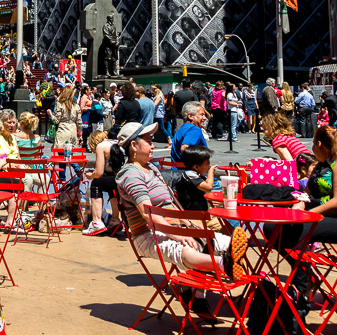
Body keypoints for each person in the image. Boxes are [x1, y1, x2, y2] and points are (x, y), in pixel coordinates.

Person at [113, 121, 246, 284]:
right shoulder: (130, 174)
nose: (153, 145)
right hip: (148, 233)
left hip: (173, 226)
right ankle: (223, 264)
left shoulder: (151, 168)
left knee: (229, 243)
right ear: (134, 146)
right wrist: (179, 235)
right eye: (148, 141)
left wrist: (189, 224)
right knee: (187, 248)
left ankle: (196, 292)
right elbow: (148, 213)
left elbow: (171, 203)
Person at [267, 126, 337, 316]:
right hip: (321, 217)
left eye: (313, 144)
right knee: (272, 227)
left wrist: (308, 214)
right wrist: (300, 204)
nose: (312, 149)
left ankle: (300, 287)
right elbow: (306, 193)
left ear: (319, 144)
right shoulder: (322, 164)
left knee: (296, 229)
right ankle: (305, 275)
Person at [84, 130, 120, 236]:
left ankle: (96, 222)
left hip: (117, 180)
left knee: (96, 183)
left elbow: (98, 173)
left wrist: (91, 175)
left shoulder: (100, 146)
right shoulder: (113, 142)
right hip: (123, 179)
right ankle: (115, 219)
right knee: (109, 184)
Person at [262, 113, 314, 177]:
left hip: (304, 171)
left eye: (265, 129)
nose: (264, 132)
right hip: (311, 164)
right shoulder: (288, 136)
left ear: (271, 128)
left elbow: (289, 162)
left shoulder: (278, 140)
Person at [170, 100, 208, 165]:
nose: (205, 118)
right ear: (190, 116)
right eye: (202, 115)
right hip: (190, 171)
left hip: (178, 170)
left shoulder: (182, 129)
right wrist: (196, 167)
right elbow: (184, 149)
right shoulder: (194, 129)